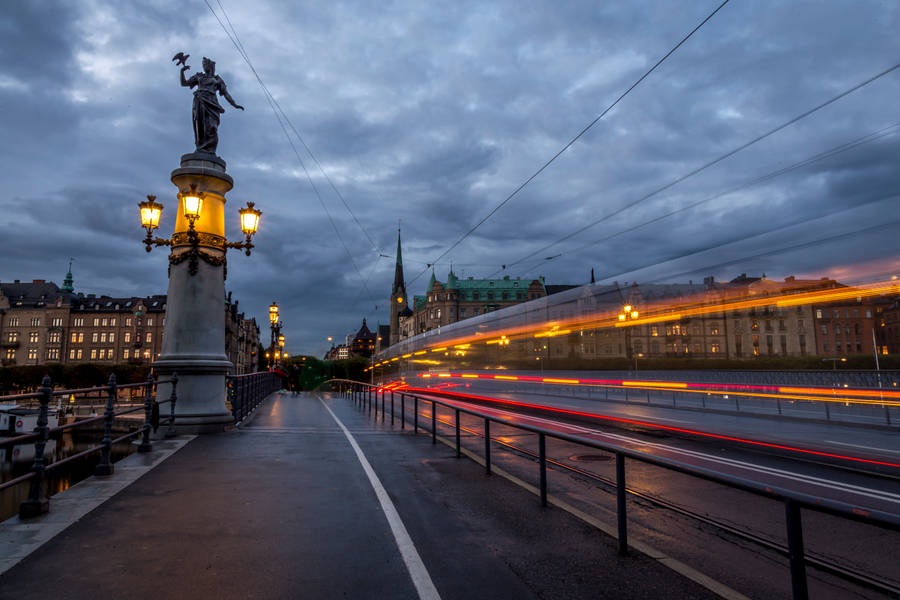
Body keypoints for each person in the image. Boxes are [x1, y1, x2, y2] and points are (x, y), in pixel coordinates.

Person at [180, 57, 243, 154]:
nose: (204, 67)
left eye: (205, 65)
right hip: (199, 101)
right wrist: (182, 72)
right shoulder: (199, 76)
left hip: (212, 103)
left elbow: (226, 94)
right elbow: (184, 83)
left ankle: (210, 150)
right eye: (203, 65)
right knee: (200, 126)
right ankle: (200, 148)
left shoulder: (217, 79)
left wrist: (235, 104)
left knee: (212, 127)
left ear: (211, 66)